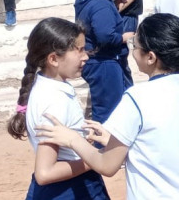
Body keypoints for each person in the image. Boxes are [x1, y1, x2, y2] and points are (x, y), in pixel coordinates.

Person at [35, 14, 179, 199]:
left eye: (135, 46)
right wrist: (116, 138)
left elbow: (107, 165)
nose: (132, 51)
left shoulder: (138, 97)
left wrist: (73, 139)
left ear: (150, 57)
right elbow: (163, 142)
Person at [7, 17, 109, 199]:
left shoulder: (47, 86)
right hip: (68, 189)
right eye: (79, 50)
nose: (85, 56)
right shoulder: (54, 100)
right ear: (53, 59)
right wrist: (96, 157)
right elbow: (45, 173)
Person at [75, 0, 132, 124]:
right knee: (109, 113)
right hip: (103, 62)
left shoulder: (90, 1)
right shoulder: (101, 4)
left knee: (106, 109)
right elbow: (105, 36)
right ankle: (103, 147)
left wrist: (113, 4)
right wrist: (124, 37)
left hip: (95, 61)